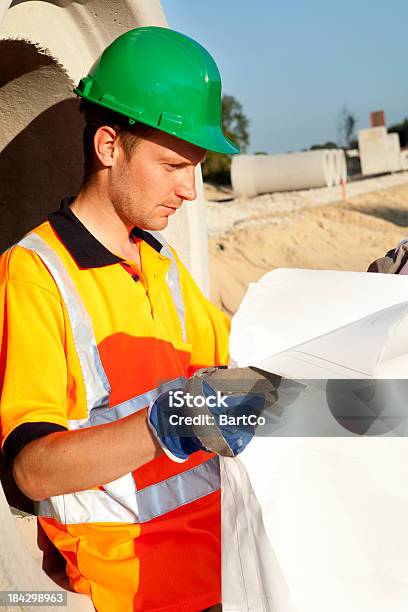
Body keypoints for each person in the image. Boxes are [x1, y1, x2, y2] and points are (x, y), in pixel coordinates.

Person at [0, 27, 279, 612]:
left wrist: (363, 295)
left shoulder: (160, 262)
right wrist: (167, 425)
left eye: (196, 167)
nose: (191, 190)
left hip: (230, 573)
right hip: (133, 595)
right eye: (174, 165)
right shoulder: (35, 275)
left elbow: (256, 372)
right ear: (108, 146)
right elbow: (32, 470)